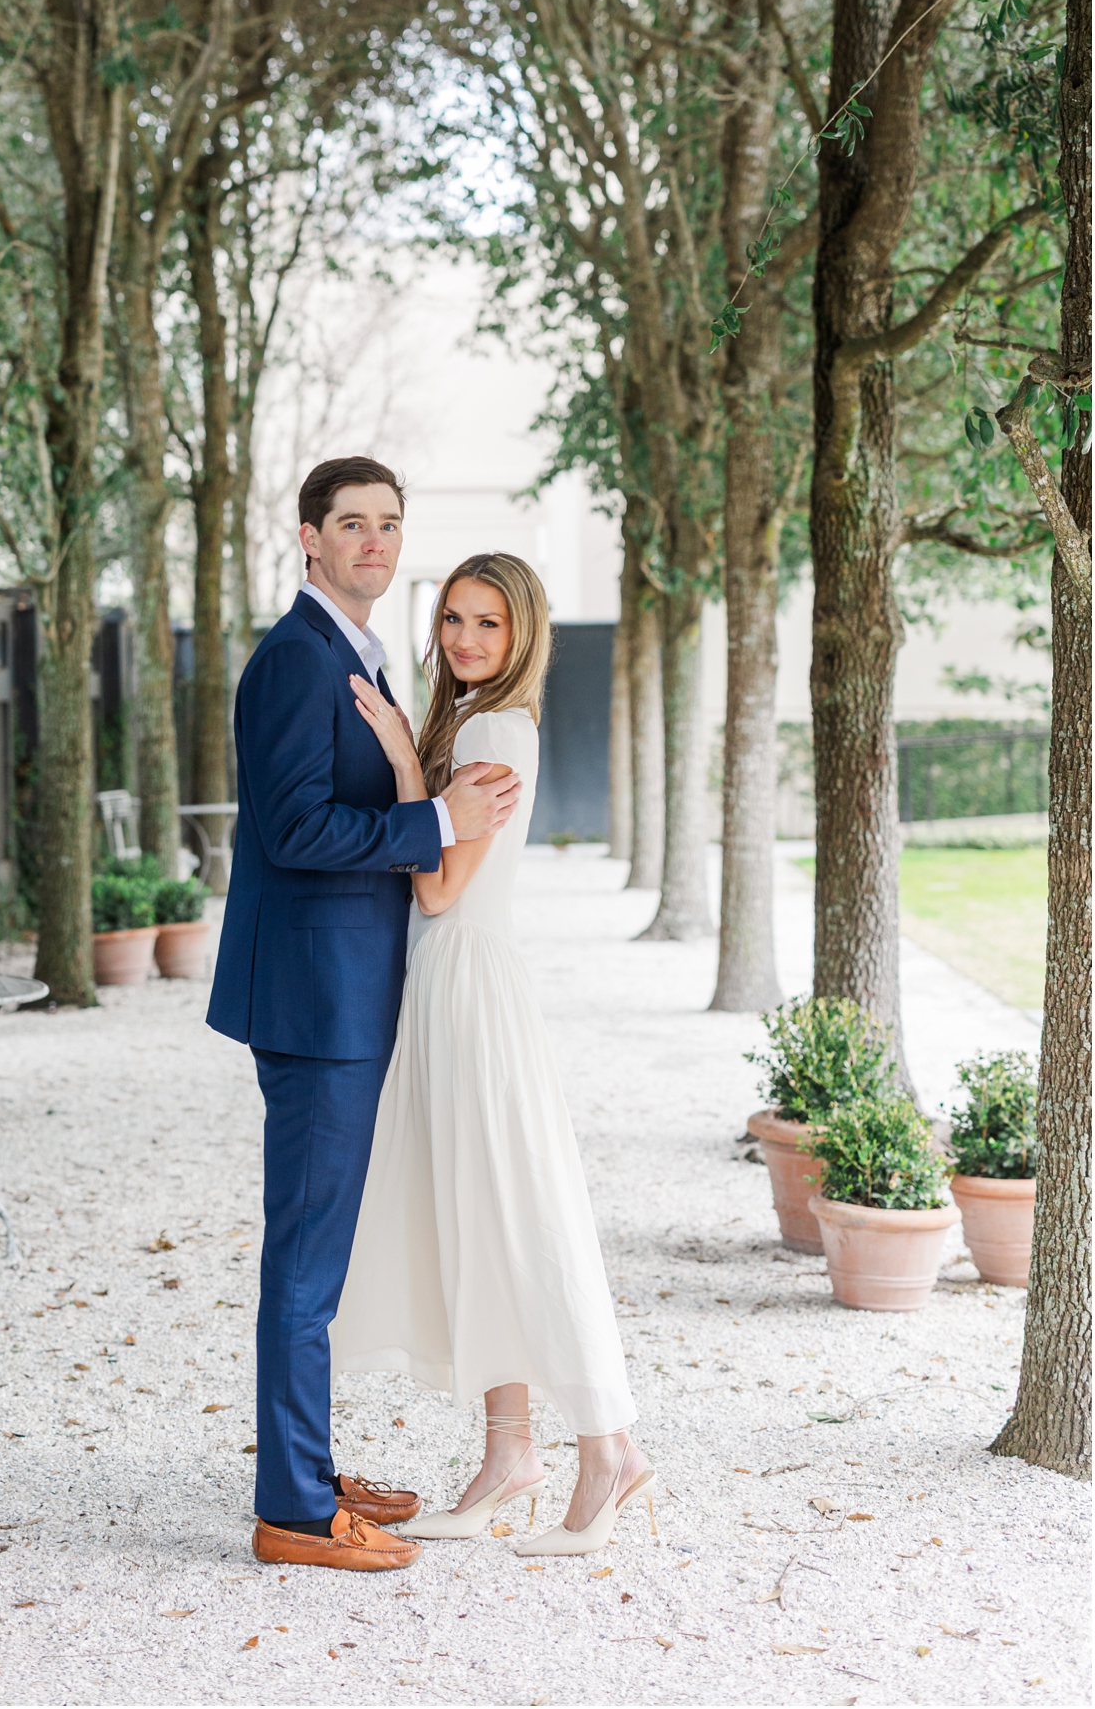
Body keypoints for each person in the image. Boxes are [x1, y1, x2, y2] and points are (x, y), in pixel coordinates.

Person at [207, 458, 524, 1574]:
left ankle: (306, 1468)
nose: (375, 543)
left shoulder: (358, 654)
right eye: (352, 525)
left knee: (318, 1261)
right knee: (302, 1265)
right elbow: (293, 833)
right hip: (313, 1005)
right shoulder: (296, 660)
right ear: (308, 538)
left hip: (343, 997)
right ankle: (291, 1512)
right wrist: (433, 818)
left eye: (390, 525)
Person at [331, 552, 656, 1557]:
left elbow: (433, 889)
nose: (465, 640)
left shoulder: (489, 728)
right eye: (455, 620)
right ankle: (507, 1452)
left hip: (467, 985)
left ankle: (608, 1449)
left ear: (522, 638)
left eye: (489, 625)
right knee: (478, 1218)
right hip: (455, 985)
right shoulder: (473, 723)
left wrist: (396, 759)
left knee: (517, 1213)